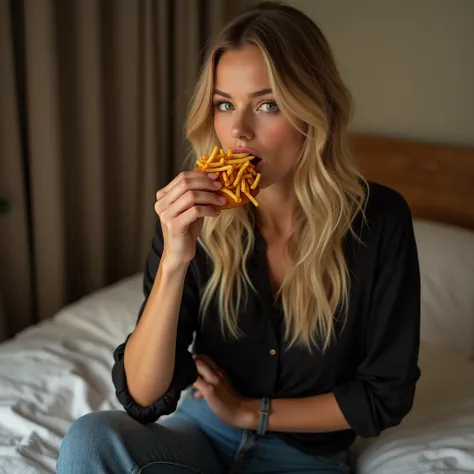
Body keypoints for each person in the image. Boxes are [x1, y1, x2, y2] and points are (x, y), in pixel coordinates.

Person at [57, 1, 421, 473]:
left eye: (267, 105)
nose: (238, 131)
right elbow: (144, 398)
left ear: (315, 111)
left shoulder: (381, 220)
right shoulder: (195, 216)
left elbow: (384, 397)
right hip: (200, 435)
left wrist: (252, 412)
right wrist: (173, 260)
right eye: (224, 104)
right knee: (91, 440)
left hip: (305, 458)